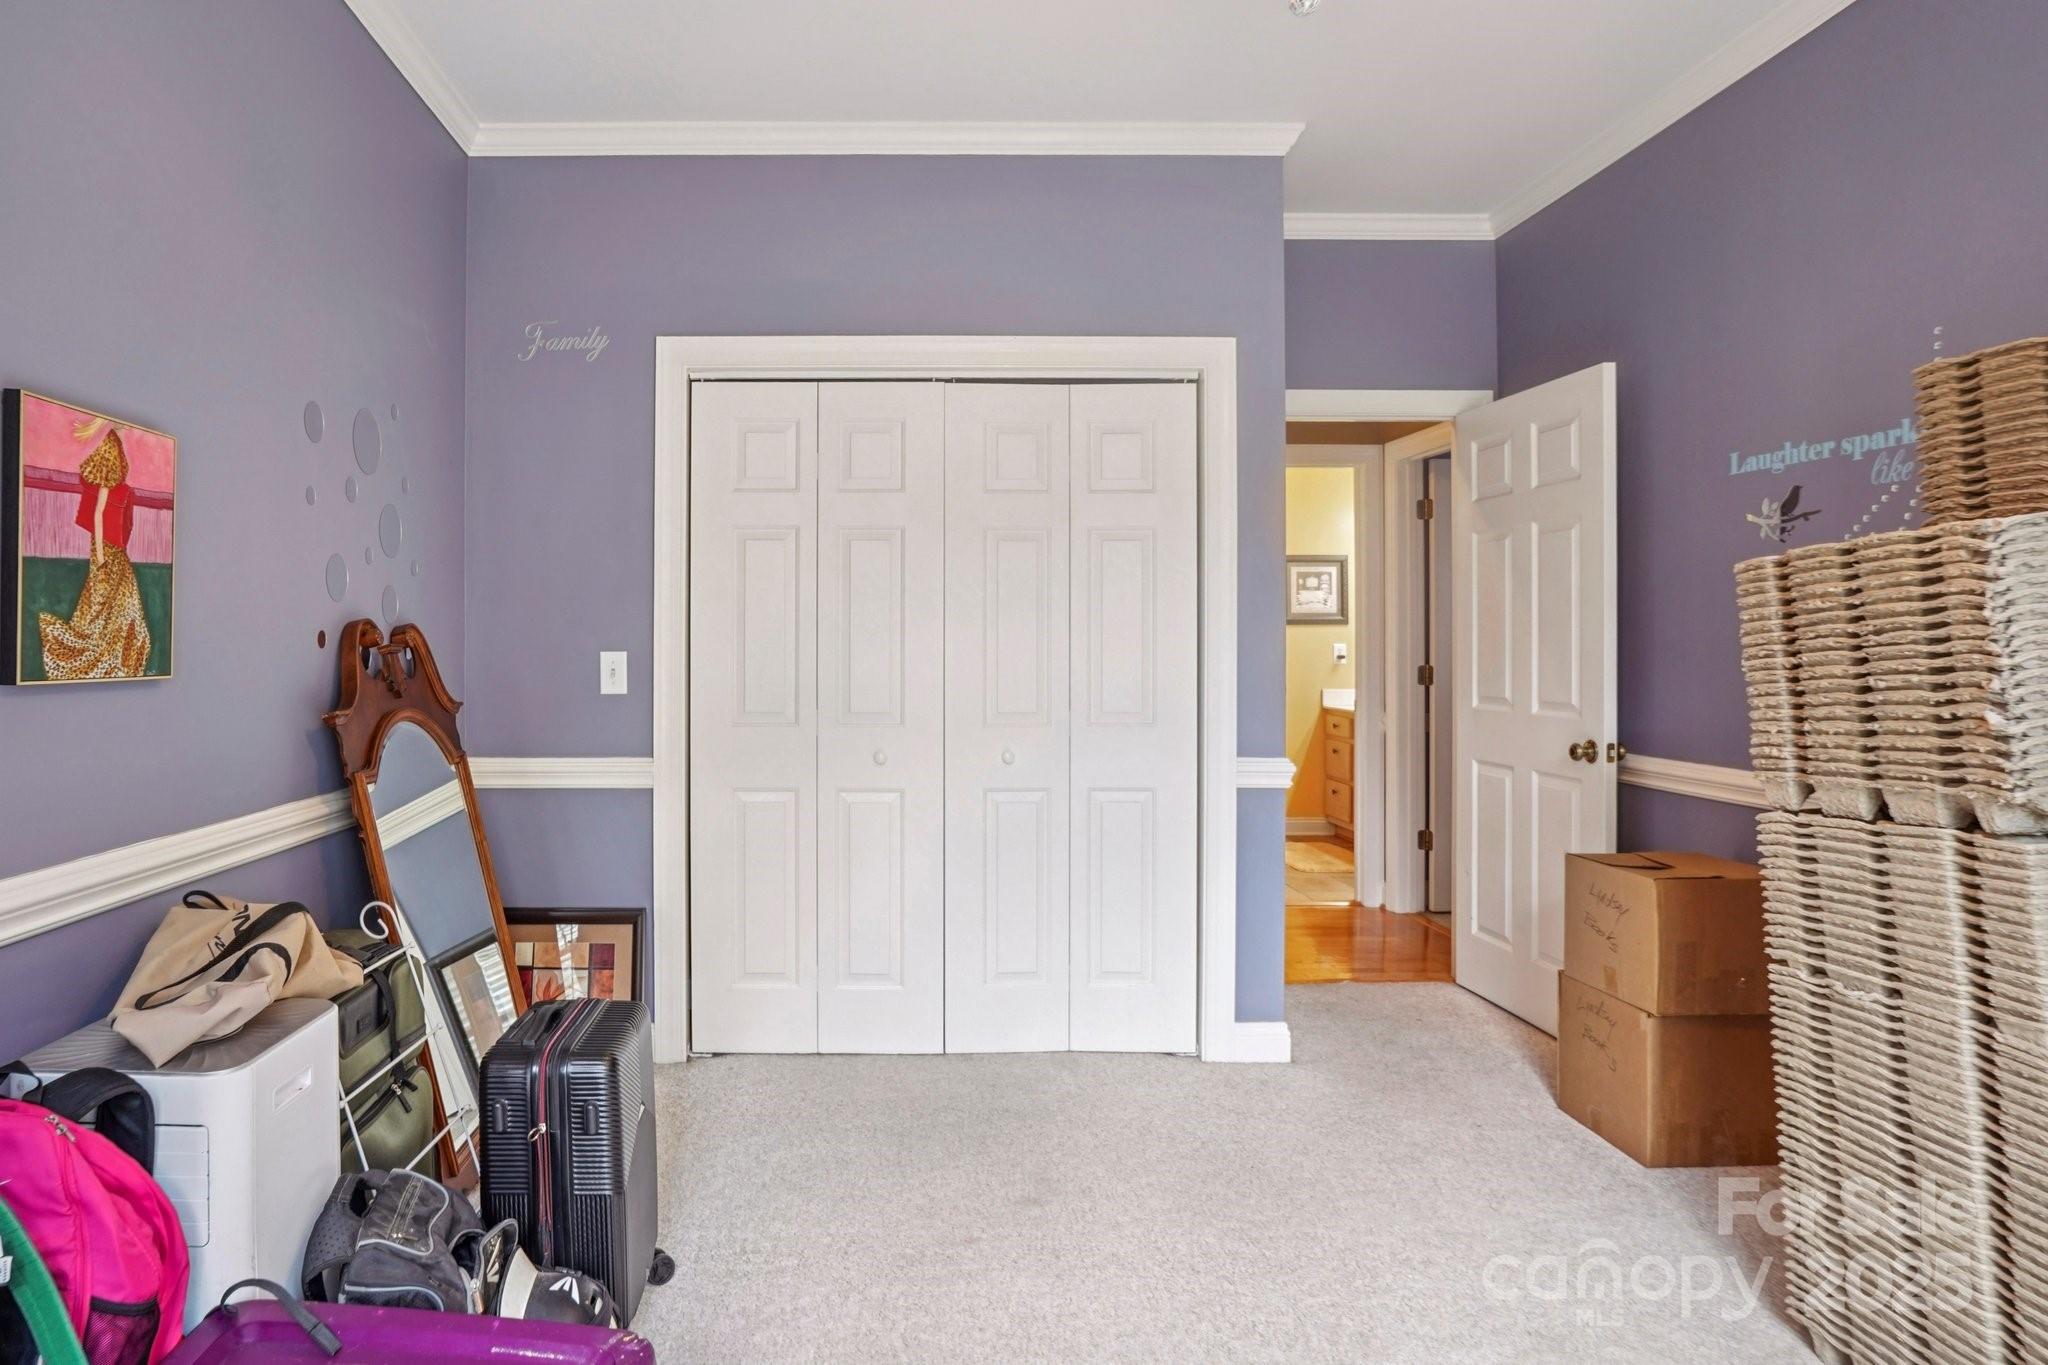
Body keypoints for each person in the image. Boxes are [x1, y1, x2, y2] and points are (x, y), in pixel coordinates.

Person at [38, 426, 151, 679]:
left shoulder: (119, 489)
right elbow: (98, 516)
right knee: (103, 605)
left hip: (115, 552)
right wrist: (100, 555)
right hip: (106, 552)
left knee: (123, 603)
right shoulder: (105, 487)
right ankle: (105, 654)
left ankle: (121, 652)